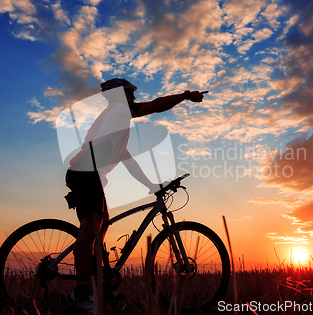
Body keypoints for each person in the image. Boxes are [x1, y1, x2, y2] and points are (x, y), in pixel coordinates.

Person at [65, 78, 207, 312]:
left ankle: (99, 283)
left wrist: (151, 185)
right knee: (90, 229)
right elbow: (156, 104)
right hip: (85, 172)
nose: (133, 98)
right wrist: (186, 95)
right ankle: (81, 293)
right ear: (121, 95)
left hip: (89, 175)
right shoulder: (119, 109)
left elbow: (128, 161)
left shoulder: (115, 127)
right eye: (130, 93)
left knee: (101, 226)